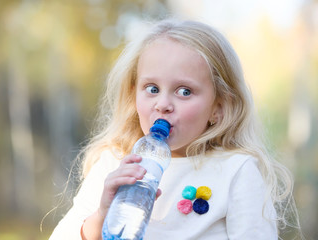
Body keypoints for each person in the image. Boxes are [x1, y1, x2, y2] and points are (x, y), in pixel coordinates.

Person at [49, 19, 302, 239]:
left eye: (184, 91)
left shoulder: (236, 171)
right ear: (133, 94)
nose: (163, 105)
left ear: (219, 108)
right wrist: (102, 215)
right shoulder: (113, 163)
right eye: (152, 89)